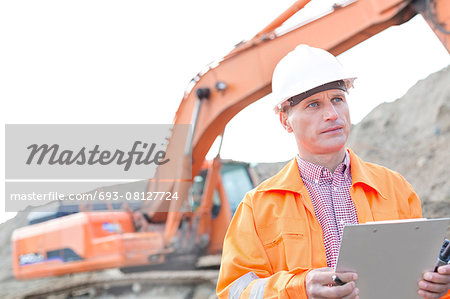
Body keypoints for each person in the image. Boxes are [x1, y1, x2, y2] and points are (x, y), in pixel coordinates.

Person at [216, 45, 450, 299]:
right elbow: (234, 292)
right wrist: (298, 289)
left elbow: (418, 276)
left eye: (338, 99)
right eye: (313, 105)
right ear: (285, 121)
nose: (331, 114)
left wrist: (438, 285)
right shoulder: (257, 207)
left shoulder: (395, 188)